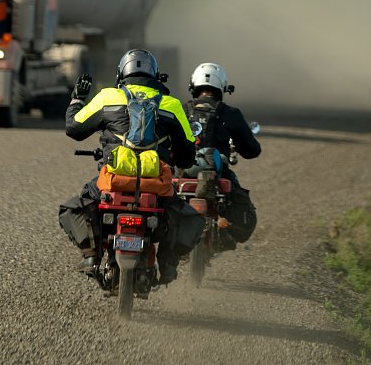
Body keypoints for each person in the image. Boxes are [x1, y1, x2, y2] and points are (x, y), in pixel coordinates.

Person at [58, 48, 198, 285]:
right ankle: (167, 264)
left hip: (114, 180)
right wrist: (175, 159)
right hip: (155, 185)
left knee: (76, 206)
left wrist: (77, 99)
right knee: (186, 216)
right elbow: (188, 154)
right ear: (155, 75)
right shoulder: (172, 105)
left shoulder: (107, 97)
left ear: (121, 73)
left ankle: (92, 257)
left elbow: (74, 129)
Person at [183, 62, 261, 249]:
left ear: (194, 85)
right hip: (217, 174)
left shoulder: (182, 110)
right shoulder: (230, 114)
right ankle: (225, 235)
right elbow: (252, 150)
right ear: (222, 87)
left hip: (183, 172)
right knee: (238, 201)